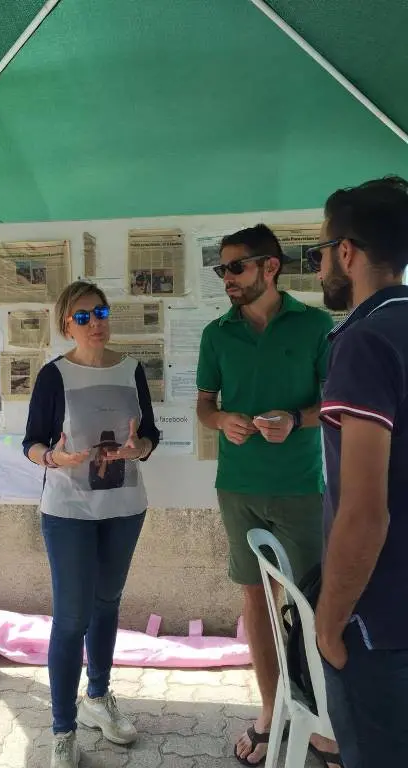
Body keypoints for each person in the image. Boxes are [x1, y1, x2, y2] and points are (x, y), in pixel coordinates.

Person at [195, 224, 339, 767]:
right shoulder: (217, 334)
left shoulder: (317, 326)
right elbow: (205, 406)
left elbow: (334, 405)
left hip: (302, 486)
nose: (226, 279)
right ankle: (269, 710)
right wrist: (224, 419)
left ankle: (322, 720)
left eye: (235, 268)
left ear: (269, 267)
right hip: (238, 487)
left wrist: (296, 419)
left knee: (310, 603)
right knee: (255, 597)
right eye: (221, 270)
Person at [23, 280, 159, 768]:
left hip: (125, 508)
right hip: (69, 513)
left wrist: (136, 448)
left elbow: (149, 436)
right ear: (66, 324)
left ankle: (98, 700)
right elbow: (32, 442)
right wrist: (54, 458)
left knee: (106, 605)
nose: (94, 323)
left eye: (99, 313)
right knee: (72, 617)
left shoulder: (131, 369)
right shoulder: (53, 376)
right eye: (82, 316)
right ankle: (63, 728)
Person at [311, 176, 408, 766]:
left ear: (346, 252)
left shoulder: (363, 341)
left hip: (380, 622)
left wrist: (329, 623)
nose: (321, 266)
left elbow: (365, 511)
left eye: (321, 251)